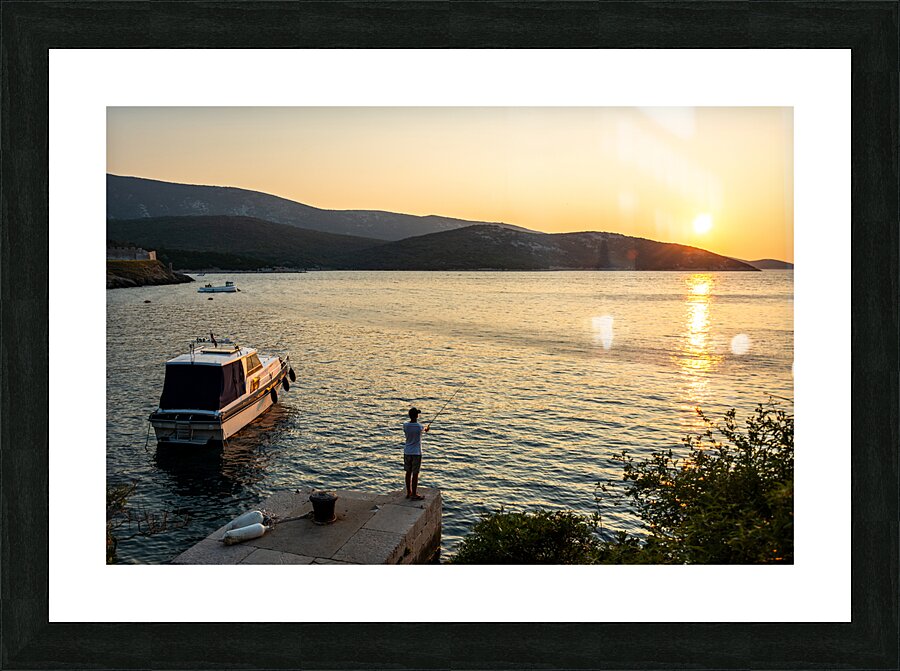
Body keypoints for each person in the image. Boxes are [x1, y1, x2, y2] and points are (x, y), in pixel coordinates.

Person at [403, 407, 429, 500]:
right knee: (415, 474)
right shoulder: (419, 427)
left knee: (408, 472)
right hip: (416, 453)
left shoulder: (405, 425)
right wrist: (427, 429)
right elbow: (424, 430)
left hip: (407, 451)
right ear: (417, 416)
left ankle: (408, 492)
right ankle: (414, 493)